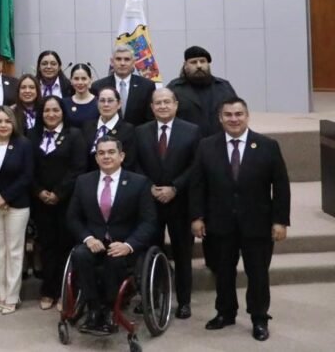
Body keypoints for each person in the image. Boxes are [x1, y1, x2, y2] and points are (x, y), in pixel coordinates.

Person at [191, 97, 290, 342]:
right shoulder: (206, 146)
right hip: (219, 222)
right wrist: (197, 217)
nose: (233, 119)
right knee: (223, 271)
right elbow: (197, 185)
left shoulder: (267, 145)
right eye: (228, 115)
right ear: (220, 118)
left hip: (257, 223)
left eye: (238, 114)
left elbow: (281, 186)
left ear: (247, 116)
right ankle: (225, 313)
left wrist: (280, 221)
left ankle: (259, 317)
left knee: (258, 273)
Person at [66, 136, 157, 336]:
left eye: (111, 152)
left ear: (121, 156)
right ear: (96, 158)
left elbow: (149, 222)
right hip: (94, 242)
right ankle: (93, 308)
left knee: (114, 260)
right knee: (79, 255)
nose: (106, 156)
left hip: (124, 245)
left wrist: (128, 245)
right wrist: (88, 238)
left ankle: (108, 310)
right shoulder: (84, 182)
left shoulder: (139, 182)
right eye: (101, 153)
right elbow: (73, 217)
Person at [132, 87, 200, 319]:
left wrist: (175, 188)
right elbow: (135, 164)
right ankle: (152, 297)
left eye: (167, 102)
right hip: (150, 202)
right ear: (152, 107)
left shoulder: (192, 131)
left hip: (180, 203)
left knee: (182, 255)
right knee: (150, 253)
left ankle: (184, 301)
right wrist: (149, 186)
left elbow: (195, 166)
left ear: (175, 105)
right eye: (158, 103)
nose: (162, 106)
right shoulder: (140, 131)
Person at [28, 95, 86, 310]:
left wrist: (58, 193)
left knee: (65, 246)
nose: (51, 114)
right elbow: (28, 168)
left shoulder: (75, 135)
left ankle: (65, 292)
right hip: (40, 201)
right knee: (46, 246)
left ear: (63, 112)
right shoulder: (32, 135)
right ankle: (48, 291)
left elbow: (78, 168)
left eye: (55, 110)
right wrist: (39, 191)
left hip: (67, 201)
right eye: (46, 111)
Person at [0, 106, 33, 315]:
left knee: (14, 250)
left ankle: (12, 296)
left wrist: (5, 197)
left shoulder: (24, 145)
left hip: (17, 205)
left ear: (14, 123)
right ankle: (0, 295)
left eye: (7, 121)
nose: (3, 125)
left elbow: (27, 176)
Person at [168, 46, 239, 138]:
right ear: (185, 65)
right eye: (193, 62)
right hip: (187, 144)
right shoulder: (174, 89)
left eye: (202, 61)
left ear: (208, 64)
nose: (199, 66)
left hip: (219, 142)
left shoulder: (224, 86)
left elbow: (237, 113)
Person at [91, 45, 155, 125]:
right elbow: (95, 117)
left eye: (127, 59)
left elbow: (150, 119)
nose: (122, 63)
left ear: (133, 62)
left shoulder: (147, 86)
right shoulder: (98, 86)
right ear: (112, 62)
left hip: (137, 132)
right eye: (118, 59)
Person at [80, 87, 136, 171]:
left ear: (119, 104)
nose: (106, 104)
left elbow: (129, 162)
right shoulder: (87, 126)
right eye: (102, 101)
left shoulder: (128, 129)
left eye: (110, 101)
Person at [63, 63, 98, 128]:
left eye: (84, 78)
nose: (80, 82)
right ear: (71, 80)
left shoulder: (99, 102)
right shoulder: (64, 103)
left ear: (91, 80)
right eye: (76, 79)